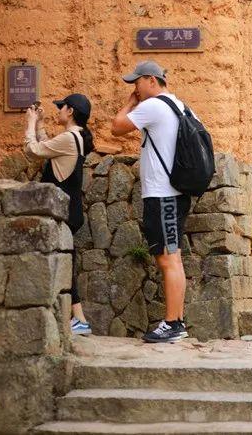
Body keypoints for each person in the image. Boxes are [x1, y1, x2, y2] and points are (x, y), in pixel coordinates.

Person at [111, 61, 193, 343]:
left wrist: (128, 104)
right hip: (172, 193)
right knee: (172, 256)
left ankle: (172, 323)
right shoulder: (179, 105)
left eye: (137, 82)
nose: (135, 87)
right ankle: (177, 321)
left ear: (151, 80)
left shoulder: (154, 105)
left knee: (168, 258)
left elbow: (116, 128)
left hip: (163, 194)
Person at [24, 94, 94, 336]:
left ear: (71, 111)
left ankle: (79, 320)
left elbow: (33, 151)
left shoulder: (69, 138)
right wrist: (42, 123)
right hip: (71, 210)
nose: (59, 110)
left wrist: (30, 123)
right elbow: (50, 151)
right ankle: (79, 319)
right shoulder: (76, 138)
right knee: (67, 266)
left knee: (65, 267)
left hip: (62, 213)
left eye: (61, 107)